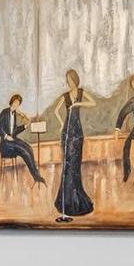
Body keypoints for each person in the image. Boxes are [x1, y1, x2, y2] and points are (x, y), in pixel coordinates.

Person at [52, 70, 94, 222]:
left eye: (71, 79)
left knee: (75, 168)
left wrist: (78, 103)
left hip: (77, 133)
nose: (69, 82)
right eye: (67, 80)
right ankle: (66, 203)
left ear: (76, 79)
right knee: (67, 167)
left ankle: (77, 201)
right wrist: (61, 123)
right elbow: (56, 111)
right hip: (67, 132)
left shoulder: (81, 92)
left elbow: (93, 102)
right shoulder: (65, 95)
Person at [0, 94, 45, 185]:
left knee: (28, 148)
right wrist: (5, 136)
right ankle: (36, 176)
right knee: (23, 151)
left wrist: (24, 126)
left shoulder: (15, 115)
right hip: (5, 145)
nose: (16, 105)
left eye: (18, 103)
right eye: (15, 102)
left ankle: (36, 175)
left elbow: (14, 131)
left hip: (12, 141)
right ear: (12, 101)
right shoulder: (5, 112)